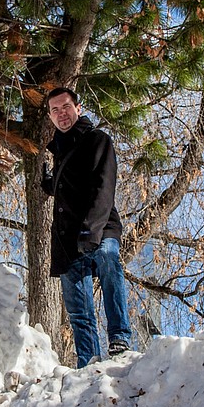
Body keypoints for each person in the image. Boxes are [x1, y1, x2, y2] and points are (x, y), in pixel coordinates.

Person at [41, 86, 136, 367]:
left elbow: (104, 187)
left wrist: (91, 230)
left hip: (100, 226)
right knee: (78, 308)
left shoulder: (97, 140)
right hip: (66, 239)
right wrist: (49, 183)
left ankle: (119, 337)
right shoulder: (56, 151)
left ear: (78, 108)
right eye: (55, 110)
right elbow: (67, 188)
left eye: (66, 107)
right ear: (50, 116)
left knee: (108, 258)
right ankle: (88, 361)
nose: (62, 114)